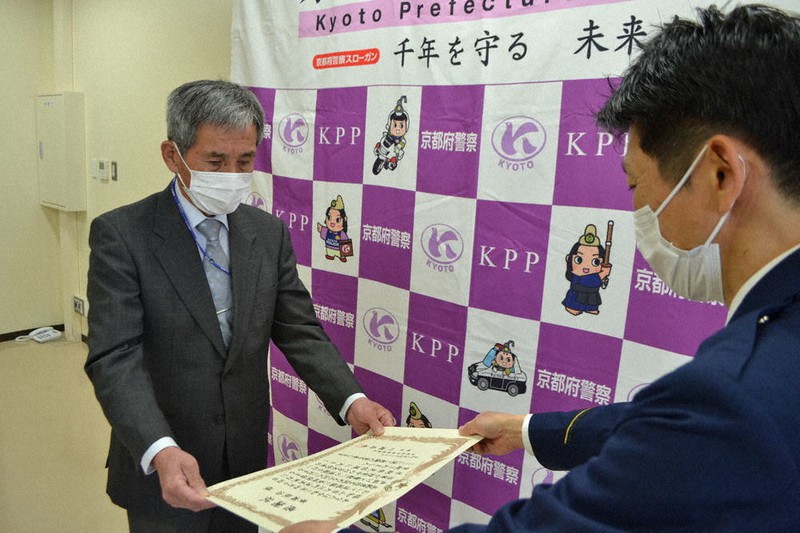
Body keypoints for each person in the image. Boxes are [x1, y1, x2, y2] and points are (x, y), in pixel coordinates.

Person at [283, 4, 800, 531]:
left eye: (635, 184)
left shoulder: (735, 393)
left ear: (719, 174)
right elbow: (668, 426)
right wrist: (527, 431)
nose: (639, 210)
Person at [85, 79, 394, 533]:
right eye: (215, 162)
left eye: (244, 161)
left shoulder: (266, 234)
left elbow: (299, 329)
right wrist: (160, 448)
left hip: (245, 462)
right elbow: (115, 358)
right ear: (172, 155)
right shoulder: (123, 235)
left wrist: (351, 401)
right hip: (165, 458)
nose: (231, 175)